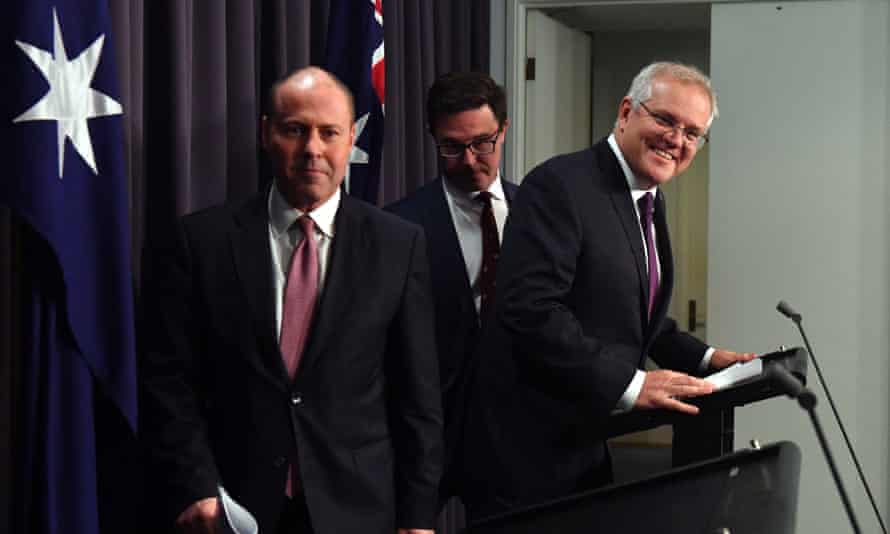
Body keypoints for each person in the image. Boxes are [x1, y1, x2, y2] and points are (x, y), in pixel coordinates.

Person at [139, 66, 442, 534]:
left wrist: (418, 516)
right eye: (295, 130)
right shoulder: (201, 242)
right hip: (230, 509)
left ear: (350, 140)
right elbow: (168, 381)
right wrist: (195, 486)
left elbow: (418, 398)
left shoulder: (399, 246)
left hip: (358, 510)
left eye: (329, 133)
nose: (312, 150)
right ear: (266, 133)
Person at [462, 61, 756, 520]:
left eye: (692, 132)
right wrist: (631, 383)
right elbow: (531, 310)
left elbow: (635, 314)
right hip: (526, 456)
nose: (676, 139)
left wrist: (707, 359)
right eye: (664, 119)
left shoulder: (646, 196)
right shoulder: (561, 185)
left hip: (584, 449)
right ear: (625, 112)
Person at [385, 72, 517, 507]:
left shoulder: (539, 213)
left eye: (483, 143)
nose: (470, 159)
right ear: (432, 138)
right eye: (452, 147)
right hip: (425, 433)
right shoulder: (397, 226)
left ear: (505, 129)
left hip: (515, 432)